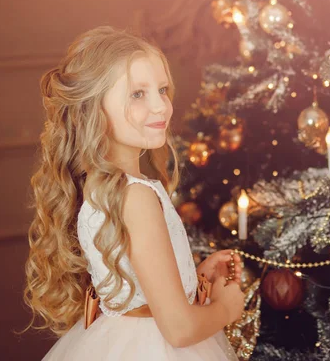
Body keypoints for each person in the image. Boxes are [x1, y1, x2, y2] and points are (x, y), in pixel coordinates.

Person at [23, 26, 246, 360]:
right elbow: (179, 329)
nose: (160, 107)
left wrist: (196, 275)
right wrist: (227, 308)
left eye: (162, 89)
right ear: (94, 109)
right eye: (137, 94)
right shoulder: (135, 196)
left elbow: (138, 293)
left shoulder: (103, 185)